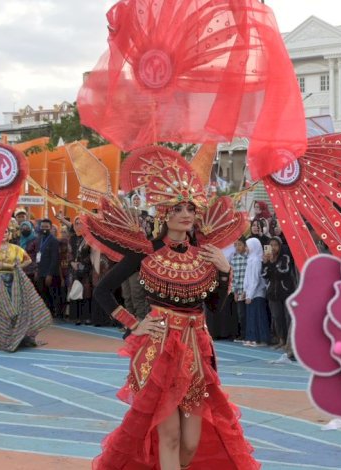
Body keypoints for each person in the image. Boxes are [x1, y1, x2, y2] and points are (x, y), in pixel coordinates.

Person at [83, 147, 254, 469]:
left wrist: (223, 271)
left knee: (191, 442)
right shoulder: (145, 251)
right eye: (178, 208)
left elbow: (215, 308)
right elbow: (104, 290)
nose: (186, 214)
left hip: (197, 351)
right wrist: (134, 325)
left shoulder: (205, 254)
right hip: (159, 350)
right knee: (171, 436)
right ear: (164, 213)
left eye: (190, 207)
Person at [0, 235, 52, 351]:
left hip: (15, 281)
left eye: (6, 232)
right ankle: (2, 338)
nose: (3, 235)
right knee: (1, 309)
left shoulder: (16, 248)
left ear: (10, 234)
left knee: (18, 308)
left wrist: (18, 267)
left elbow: (28, 260)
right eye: (1, 232)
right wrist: (10, 265)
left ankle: (17, 337)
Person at [262, 237, 296, 352]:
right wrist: (266, 263)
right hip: (272, 292)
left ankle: (289, 342)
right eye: (270, 245)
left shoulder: (284, 258)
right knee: (277, 317)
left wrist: (271, 263)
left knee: (288, 317)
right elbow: (264, 275)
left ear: (280, 246)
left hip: (286, 291)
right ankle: (281, 340)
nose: (273, 247)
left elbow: (283, 272)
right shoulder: (267, 258)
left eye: (275, 245)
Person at [241, 237, 268, 347]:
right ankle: (252, 337)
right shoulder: (251, 259)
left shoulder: (257, 260)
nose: (246, 248)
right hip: (250, 293)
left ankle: (261, 338)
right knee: (251, 316)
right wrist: (245, 291)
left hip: (257, 293)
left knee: (258, 316)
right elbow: (247, 278)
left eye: (247, 246)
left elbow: (255, 279)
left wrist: (250, 294)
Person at [34, 218, 61, 317]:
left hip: (49, 272)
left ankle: (53, 312)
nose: (44, 229)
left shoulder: (54, 241)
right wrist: (37, 269)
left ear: (50, 227)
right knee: (42, 292)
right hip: (41, 270)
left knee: (51, 293)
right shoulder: (39, 239)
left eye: (46, 227)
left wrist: (50, 274)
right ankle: (46, 312)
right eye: (42, 227)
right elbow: (38, 255)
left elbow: (55, 259)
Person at [229, 238, 249, 340]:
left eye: (240, 245)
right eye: (236, 245)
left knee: (249, 313)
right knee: (241, 314)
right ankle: (243, 333)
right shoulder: (233, 259)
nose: (237, 247)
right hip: (239, 291)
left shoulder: (248, 258)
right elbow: (232, 277)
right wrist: (234, 291)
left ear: (245, 246)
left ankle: (250, 334)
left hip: (249, 292)